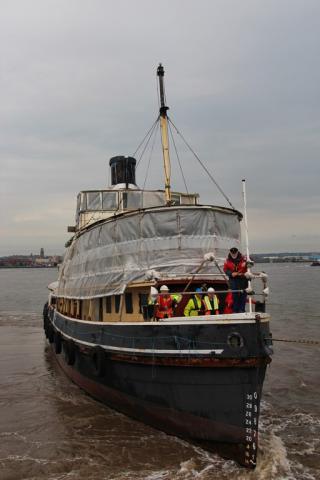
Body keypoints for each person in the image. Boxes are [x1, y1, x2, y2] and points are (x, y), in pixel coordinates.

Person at [223, 247, 248, 313]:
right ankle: (235, 311)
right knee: (235, 296)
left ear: (237, 252)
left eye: (235, 253)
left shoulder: (244, 258)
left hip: (243, 279)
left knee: (243, 295)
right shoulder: (227, 260)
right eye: (232, 253)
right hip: (233, 280)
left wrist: (246, 264)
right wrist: (231, 273)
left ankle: (242, 310)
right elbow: (225, 270)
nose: (234, 254)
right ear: (230, 253)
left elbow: (251, 261)